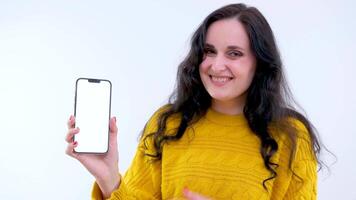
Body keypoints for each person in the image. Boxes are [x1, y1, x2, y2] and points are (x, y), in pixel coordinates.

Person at [65, 3, 321, 200]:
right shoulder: (168, 123)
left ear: (260, 62)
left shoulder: (291, 136)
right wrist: (109, 178)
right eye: (209, 51)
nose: (216, 65)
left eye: (234, 53)